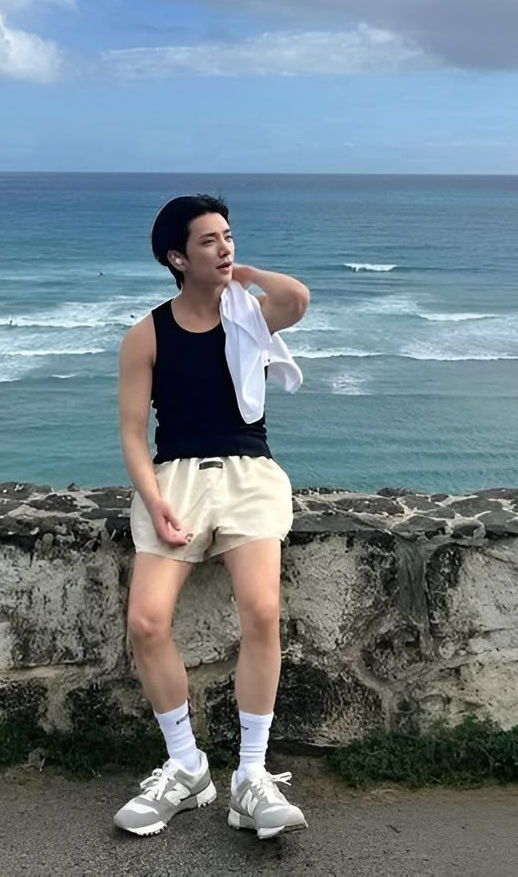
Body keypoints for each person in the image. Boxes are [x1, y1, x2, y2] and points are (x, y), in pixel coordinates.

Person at [114, 192, 310, 841]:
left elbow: (297, 300)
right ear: (176, 256)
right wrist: (155, 499)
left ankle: (250, 776)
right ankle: (186, 764)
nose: (224, 246)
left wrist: (245, 275)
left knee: (261, 611)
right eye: (208, 241)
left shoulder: (248, 315)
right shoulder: (146, 333)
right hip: (175, 480)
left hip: (248, 475)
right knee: (146, 620)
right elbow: (134, 433)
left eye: (228, 235)